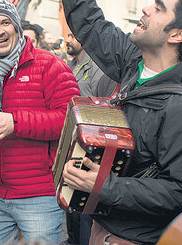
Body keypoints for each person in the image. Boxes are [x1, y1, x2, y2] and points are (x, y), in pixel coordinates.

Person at [54, 0, 182, 244]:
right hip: (102, 227)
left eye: (158, 8)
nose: (145, 9)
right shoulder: (133, 61)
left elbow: (179, 192)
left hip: (134, 238)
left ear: (178, 34)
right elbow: (91, 25)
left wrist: (102, 185)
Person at [0, 0, 79, 245]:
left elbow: (70, 122)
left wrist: (15, 123)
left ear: (16, 26)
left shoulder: (50, 65)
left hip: (38, 195)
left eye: (5, 22)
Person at [64, 30, 117, 245]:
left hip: (90, 143)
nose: (68, 40)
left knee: (84, 204)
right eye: (67, 36)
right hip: (72, 136)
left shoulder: (98, 68)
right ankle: (72, 239)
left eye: (73, 36)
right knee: (70, 199)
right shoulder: (71, 64)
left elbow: (99, 105)